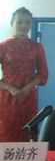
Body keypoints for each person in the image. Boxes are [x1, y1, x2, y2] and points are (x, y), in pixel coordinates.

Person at [0, 8, 48, 142]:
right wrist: (11, 89)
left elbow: (43, 74)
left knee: (28, 132)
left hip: (29, 97)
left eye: (27, 22)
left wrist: (27, 89)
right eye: (20, 22)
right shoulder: (2, 47)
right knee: (7, 132)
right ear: (12, 23)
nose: (24, 26)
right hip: (7, 98)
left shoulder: (37, 47)